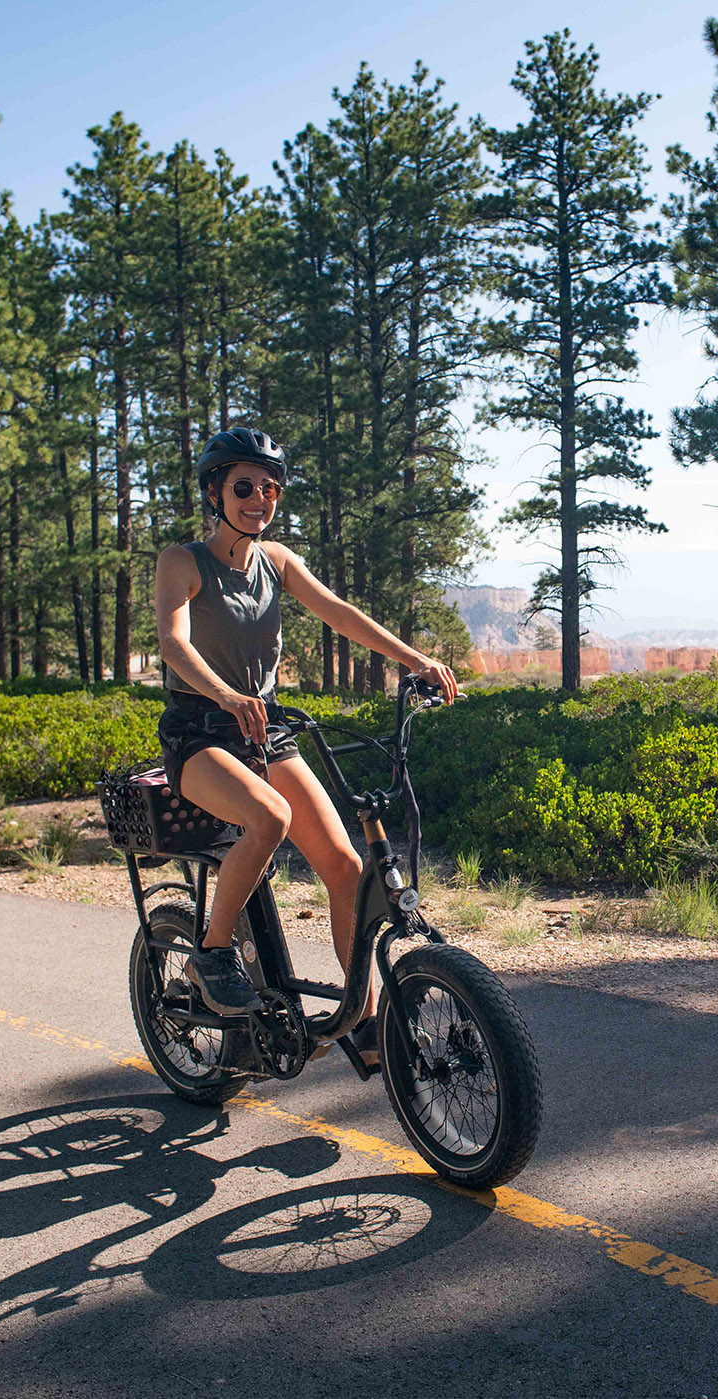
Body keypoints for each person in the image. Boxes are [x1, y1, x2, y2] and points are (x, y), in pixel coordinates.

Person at [154, 428, 460, 1069]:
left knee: (348, 868)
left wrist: (417, 659)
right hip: (200, 734)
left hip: (266, 733)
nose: (259, 499)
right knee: (270, 818)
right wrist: (224, 696)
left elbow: (339, 612)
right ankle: (212, 954)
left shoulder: (278, 561)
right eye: (244, 487)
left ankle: (365, 1016)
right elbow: (175, 645)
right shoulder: (181, 561)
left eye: (269, 488)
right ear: (215, 491)